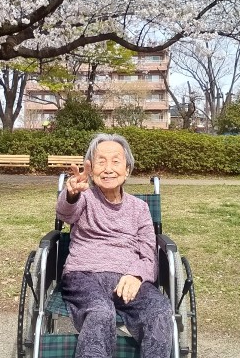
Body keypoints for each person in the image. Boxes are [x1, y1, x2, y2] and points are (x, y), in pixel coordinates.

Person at [56, 133, 173, 358]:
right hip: (83, 275)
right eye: (101, 162)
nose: (108, 169)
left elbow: (148, 253)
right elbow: (65, 213)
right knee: (100, 311)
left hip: (126, 279)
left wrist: (137, 275)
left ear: (127, 170)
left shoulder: (139, 208)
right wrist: (70, 194)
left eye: (116, 161)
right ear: (91, 169)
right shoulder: (84, 198)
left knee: (159, 311)